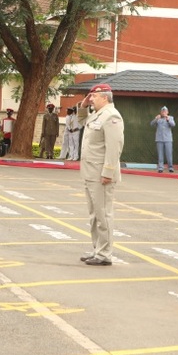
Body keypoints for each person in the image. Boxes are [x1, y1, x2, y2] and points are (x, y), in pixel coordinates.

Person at [77, 84, 124, 266]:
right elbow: (82, 122)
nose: (91, 99)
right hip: (90, 172)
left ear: (105, 97)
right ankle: (97, 248)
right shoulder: (97, 115)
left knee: (103, 214)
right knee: (94, 214)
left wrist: (108, 172)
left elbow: (114, 147)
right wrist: (82, 106)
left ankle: (104, 254)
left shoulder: (112, 116)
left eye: (94, 96)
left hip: (101, 174)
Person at [151, 106, 176, 173]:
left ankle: (170, 167)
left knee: (169, 154)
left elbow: (173, 125)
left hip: (168, 139)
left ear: (167, 112)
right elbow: (152, 124)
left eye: (165, 111)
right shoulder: (158, 119)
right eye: (162, 111)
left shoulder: (170, 118)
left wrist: (168, 120)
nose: (164, 112)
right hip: (159, 139)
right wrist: (156, 119)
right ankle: (160, 168)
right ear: (161, 112)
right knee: (160, 154)